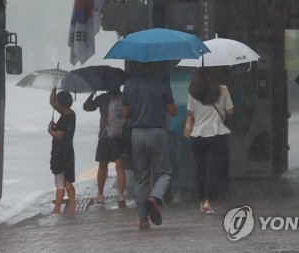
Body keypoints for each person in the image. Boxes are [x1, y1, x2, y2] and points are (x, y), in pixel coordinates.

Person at [121, 63, 177, 231]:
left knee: (141, 178)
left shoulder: (129, 85)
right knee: (164, 173)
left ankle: (143, 220)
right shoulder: (162, 83)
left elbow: (125, 113)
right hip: (157, 132)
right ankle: (154, 198)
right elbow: (173, 111)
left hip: (137, 134)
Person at [186, 68, 234, 215]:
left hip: (198, 135)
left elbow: (191, 113)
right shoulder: (223, 89)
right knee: (212, 168)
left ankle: (202, 198)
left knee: (200, 168)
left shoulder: (193, 91)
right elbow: (230, 111)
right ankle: (207, 200)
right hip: (217, 134)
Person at [83, 88, 127, 208]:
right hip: (119, 136)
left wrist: (92, 92)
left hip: (104, 136)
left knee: (102, 166)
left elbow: (86, 107)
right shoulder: (124, 97)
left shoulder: (102, 98)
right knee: (120, 167)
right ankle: (121, 195)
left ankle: (100, 195)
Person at [48, 87, 77, 214]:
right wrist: (54, 89)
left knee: (60, 183)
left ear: (61, 104)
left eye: (58, 102)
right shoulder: (71, 115)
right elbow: (52, 102)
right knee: (68, 181)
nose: (56, 104)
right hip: (68, 152)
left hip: (60, 154)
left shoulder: (64, 118)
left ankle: (56, 209)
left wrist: (50, 130)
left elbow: (59, 135)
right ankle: (72, 207)